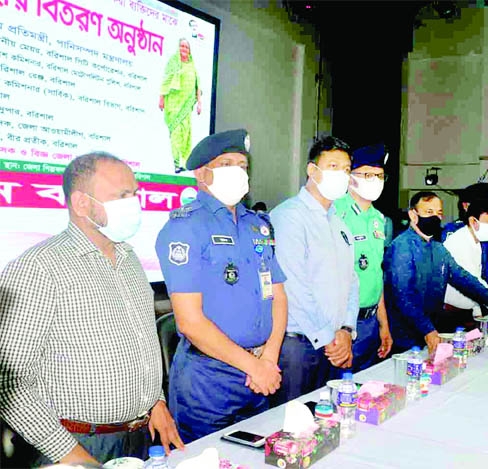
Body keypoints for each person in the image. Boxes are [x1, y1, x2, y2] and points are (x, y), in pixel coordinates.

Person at [0, 152, 183, 466]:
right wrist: (73, 457)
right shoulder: (38, 268)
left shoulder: (130, 260)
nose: (135, 203)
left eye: (134, 194)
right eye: (122, 196)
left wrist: (156, 402)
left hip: (138, 437)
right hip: (74, 444)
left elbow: (141, 343)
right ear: (81, 204)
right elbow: (9, 382)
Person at [155, 129, 287, 443]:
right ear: (202, 173)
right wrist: (254, 367)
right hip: (209, 381)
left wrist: (268, 359)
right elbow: (189, 322)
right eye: (227, 163)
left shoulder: (258, 225)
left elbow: (278, 296)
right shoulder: (185, 227)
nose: (238, 172)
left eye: (242, 165)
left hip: (260, 371)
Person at [269, 136, 359, 406]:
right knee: (292, 432)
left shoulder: (340, 224)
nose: (341, 175)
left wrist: (345, 329)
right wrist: (327, 337)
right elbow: (293, 287)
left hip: (334, 345)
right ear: (312, 170)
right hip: (300, 347)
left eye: (346, 170)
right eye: (333, 166)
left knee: (327, 427)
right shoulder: (289, 217)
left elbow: (351, 282)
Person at [384, 191, 488, 353]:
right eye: (429, 212)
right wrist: (427, 329)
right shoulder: (402, 247)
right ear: (412, 215)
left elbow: (462, 277)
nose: (435, 217)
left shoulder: (438, 248)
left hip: (430, 330)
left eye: (439, 213)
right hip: (405, 334)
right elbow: (404, 295)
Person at [333, 143, 393, 371]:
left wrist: (383, 324)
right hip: (343, 323)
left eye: (379, 175)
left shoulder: (379, 219)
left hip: (370, 322)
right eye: (368, 174)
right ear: (350, 178)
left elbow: (376, 276)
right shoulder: (336, 212)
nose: (375, 180)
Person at [442, 199, 488, 330]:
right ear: (473, 221)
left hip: (467, 310)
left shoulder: (477, 241)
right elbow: (472, 281)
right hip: (451, 313)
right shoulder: (459, 242)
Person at [159, 38, 201, 173]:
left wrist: (199, 103)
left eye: (186, 47)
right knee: (176, 134)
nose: (184, 49)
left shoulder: (192, 67)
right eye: (182, 46)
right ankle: (176, 163)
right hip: (173, 105)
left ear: (190, 51)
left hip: (186, 108)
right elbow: (165, 82)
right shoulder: (173, 63)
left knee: (186, 135)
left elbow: (197, 87)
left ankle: (184, 162)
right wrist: (161, 99)